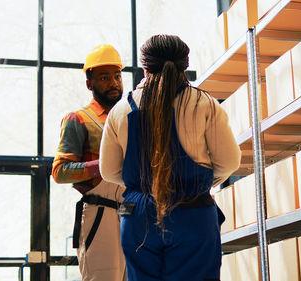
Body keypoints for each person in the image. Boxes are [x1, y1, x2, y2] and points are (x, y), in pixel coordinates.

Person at [99, 34, 241, 281]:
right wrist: (200, 182)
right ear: (184, 64)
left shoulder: (121, 110)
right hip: (192, 212)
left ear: (144, 67)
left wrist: (148, 184)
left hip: (138, 217)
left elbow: (108, 171)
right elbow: (229, 162)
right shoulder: (204, 104)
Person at [52, 44, 126, 281]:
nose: (113, 83)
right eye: (104, 77)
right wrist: (105, 164)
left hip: (133, 213)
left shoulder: (130, 118)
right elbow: (60, 172)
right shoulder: (78, 119)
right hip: (99, 214)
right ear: (89, 83)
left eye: (117, 76)